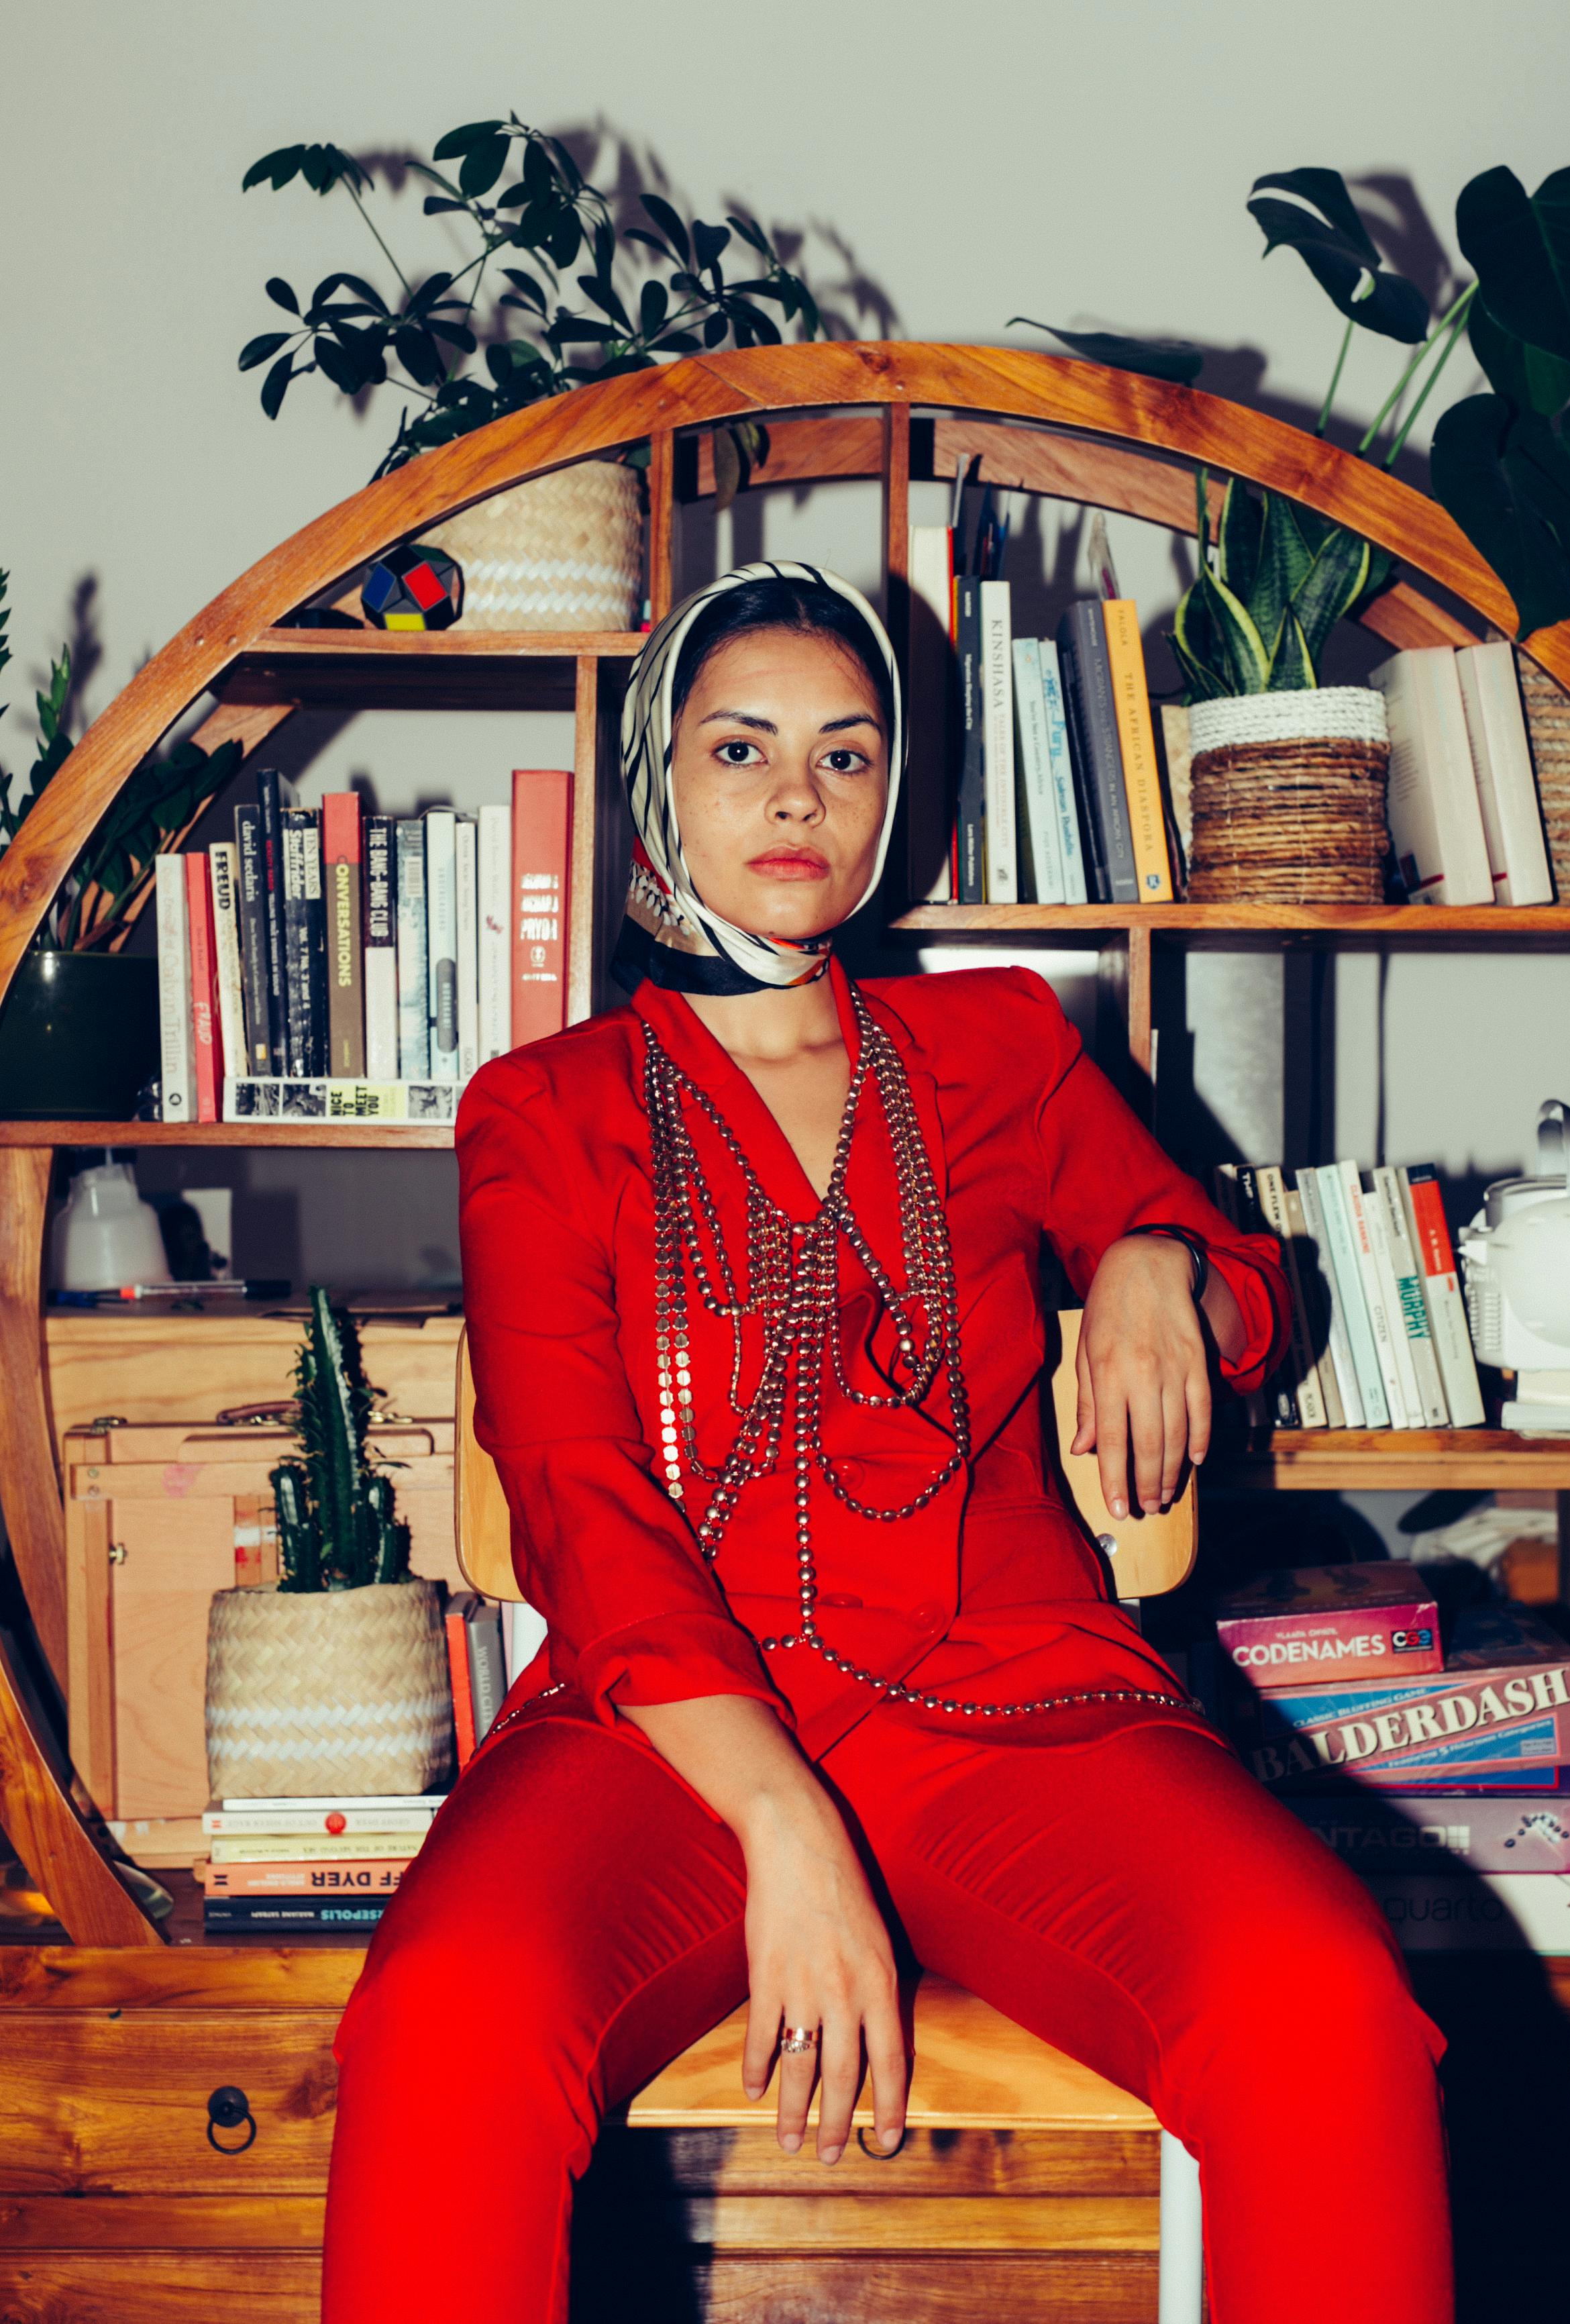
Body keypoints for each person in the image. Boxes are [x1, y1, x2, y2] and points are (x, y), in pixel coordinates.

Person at [321, 562, 1452, 2324]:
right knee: (439, 2021)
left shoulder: (997, 1043)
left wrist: (1163, 1260)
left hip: (1015, 1703)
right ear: (657, 785)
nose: (796, 795)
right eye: (741, 747)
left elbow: (1255, 1301)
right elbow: (572, 1498)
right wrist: (784, 1819)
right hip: (669, 1735)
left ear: (893, 802)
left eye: (846, 757)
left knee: (1320, 2001)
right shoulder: (541, 1111)